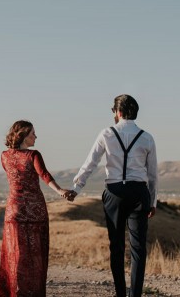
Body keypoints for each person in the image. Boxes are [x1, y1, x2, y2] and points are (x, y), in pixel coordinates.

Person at [71, 95, 158, 297]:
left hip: (114, 192)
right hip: (139, 193)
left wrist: (77, 188)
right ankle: (135, 294)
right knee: (138, 248)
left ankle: (120, 293)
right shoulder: (147, 137)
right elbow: (153, 174)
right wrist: (152, 201)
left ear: (118, 113)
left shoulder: (106, 133)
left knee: (116, 246)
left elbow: (90, 162)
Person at [0, 120, 76, 297]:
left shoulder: (4, 156)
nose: (35, 136)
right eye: (33, 133)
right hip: (35, 212)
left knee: (14, 254)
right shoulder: (33, 155)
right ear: (23, 136)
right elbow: (45, 175)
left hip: (14, 210)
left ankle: (14, 292)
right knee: (35, 257)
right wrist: (61, 191)